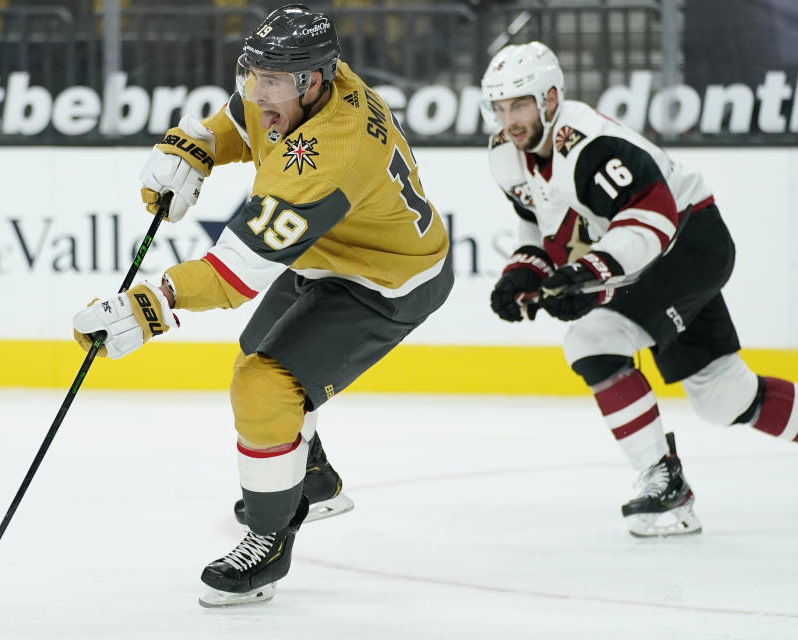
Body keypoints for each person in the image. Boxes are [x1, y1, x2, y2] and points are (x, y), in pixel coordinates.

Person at [72, 4, 453, 605]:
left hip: (387, 281)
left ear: (313, 82)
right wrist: (195, 144)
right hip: (331, 255)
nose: (257, 90)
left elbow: (233, 275)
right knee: (260, 349)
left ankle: (268, 541)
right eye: (253, 73)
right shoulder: (302, 81)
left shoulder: (332, 152)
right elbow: (244, 120)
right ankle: (315, 479)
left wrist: (154, 304)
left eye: (271, 81)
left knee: (262, 386)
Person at [481, 41, 798, 537]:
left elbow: (653, 216)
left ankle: (665, 484)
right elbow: (541, 224)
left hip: (688, 243)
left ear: (549, 98)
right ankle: (670, 484)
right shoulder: (505, 153)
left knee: (592, 341)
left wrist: (590, 274)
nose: (509, 119)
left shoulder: (589, 145)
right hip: (648, 256)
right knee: (724, 397)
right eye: (500, 107)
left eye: (519, 104)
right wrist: (526, 269)